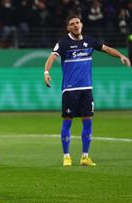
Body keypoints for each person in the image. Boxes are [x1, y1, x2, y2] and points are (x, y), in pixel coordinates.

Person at [43, 14, 131, 167]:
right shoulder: (63, 43)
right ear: (68, 27)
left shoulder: (89, 41)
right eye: (72, 23)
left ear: (81, 24)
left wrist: (121, 56)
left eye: (78, 22)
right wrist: (46, 72)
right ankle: (66, 156)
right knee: (68, 121)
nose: (76, 25)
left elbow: (107, 49)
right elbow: (51, 57)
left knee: (88, 121)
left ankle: (85, 157)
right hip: (70, 90)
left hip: (86, 89)